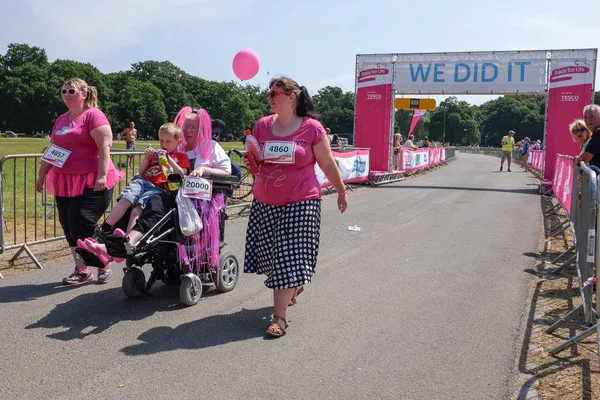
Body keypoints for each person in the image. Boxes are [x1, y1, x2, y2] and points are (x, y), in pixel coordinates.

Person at [242, 77, 348, 338]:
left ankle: (279, 317)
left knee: (286, 257)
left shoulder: (312, 128)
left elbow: (327, 164)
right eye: (268, 94)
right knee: (272, 256)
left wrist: (341, 190)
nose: (269, 98)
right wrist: (252, 162)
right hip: (266, 201)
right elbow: (255, 158)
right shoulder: (262, 126)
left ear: (292, 96)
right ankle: (294, 285)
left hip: (301, 201)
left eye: (274, 93)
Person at [79, 107, 231, 272]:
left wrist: (204, 170)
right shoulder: (175, 145)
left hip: (193, 199)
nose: (188, 130)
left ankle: (123, 244)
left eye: (193, 127)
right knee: (132, 202)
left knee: (154, 203)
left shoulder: (211, 147)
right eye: (186, 125)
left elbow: (227, 171)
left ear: (202, 128)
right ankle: (108, 244)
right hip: (167, 190)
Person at [35, 78, 124, 284]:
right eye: (64, 91)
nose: (67, 94)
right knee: (67, 224)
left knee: (81, 220)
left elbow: (104, 146)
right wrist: (41, 176)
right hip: (65, 180)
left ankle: (103, 260)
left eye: (72, 91)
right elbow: (53, 150)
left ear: (83, 94)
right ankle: (82, 269)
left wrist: (102, 176)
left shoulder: (93, 115)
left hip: (91, 178)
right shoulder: (61, 119)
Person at [88, 122, 190, 237]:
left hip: (157, 187)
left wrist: (169, 160)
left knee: (136, 211)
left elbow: (182, 173)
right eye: (161, 140)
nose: (163, 144)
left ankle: (128, 238)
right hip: (143, 181)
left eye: (168, 141)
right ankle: (104, 228)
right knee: (126, 199)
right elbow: (141, 171)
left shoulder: (182, 157)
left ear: (178, 142)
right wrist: (147, 158)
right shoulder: (155, 154)